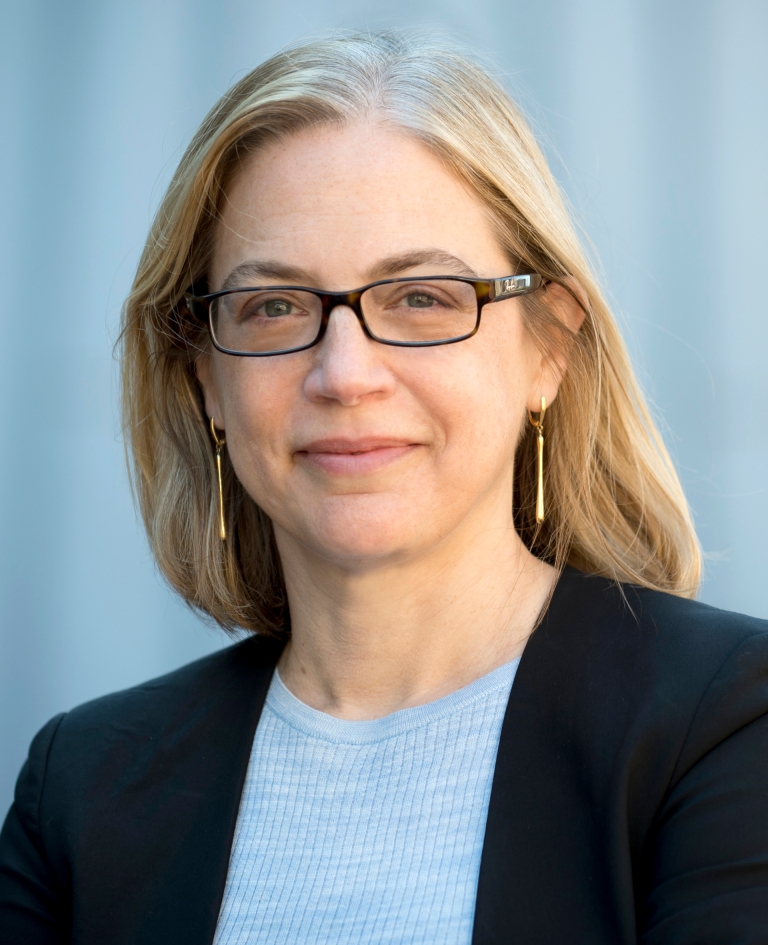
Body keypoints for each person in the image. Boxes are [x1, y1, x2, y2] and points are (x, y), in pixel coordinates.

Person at [1, 31, 767, 945]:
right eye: (274, 306)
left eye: (422, 298)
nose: (344, 373)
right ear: (204, 376)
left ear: (549, 347)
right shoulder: (79, 786)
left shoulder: (725, 724)